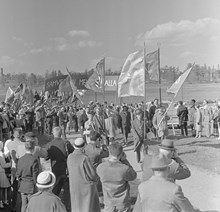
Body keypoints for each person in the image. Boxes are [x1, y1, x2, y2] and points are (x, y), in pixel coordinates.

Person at [133, 154, 200, 212]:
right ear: (168, 169)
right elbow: (188, 210)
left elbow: (137, 210)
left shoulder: (142, 187)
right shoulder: (174, 189)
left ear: (152, 170)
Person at [97, 142, 137, 212]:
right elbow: (133, 176)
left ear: (109, 152)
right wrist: (125, 160)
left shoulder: (101, 167)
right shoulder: (125, 169)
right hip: (122, 203)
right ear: (121, 154)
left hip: (109, 203)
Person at [67, 137, 100, 212]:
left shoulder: (70, 157)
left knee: (76, 206)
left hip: (74, 186)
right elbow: (92, 175)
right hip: (85, 187)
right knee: (88, 207)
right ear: (83, 147)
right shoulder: (84, 158)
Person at [45, 126, 74, 211]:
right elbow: (72, 153)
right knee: (67, 190)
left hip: (55, 168)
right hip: (66, 168)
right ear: (61, 133)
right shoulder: (66, 143)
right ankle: (67, 207)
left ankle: (54, 206)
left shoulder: (50, 144)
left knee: (56, 188)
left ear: (53, 133)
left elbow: (46, 157)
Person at [16, 140, 39, 212]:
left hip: (23, 185)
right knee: (31, 206)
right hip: (31, 186)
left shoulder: (20, 159)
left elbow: (18, 174)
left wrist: (20, 182)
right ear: (33, 148)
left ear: (25, 148)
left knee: (24, 205)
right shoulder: (34, 160)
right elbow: (35, 175)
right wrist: (37, 185)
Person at [0, 140, 11, 209]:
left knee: (3, 188)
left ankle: (3, 201)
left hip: (1, 172)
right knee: (2, 188)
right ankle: (2, 201)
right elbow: (3, 165)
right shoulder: (0, 154)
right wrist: (11, 164)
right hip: (1, 172)